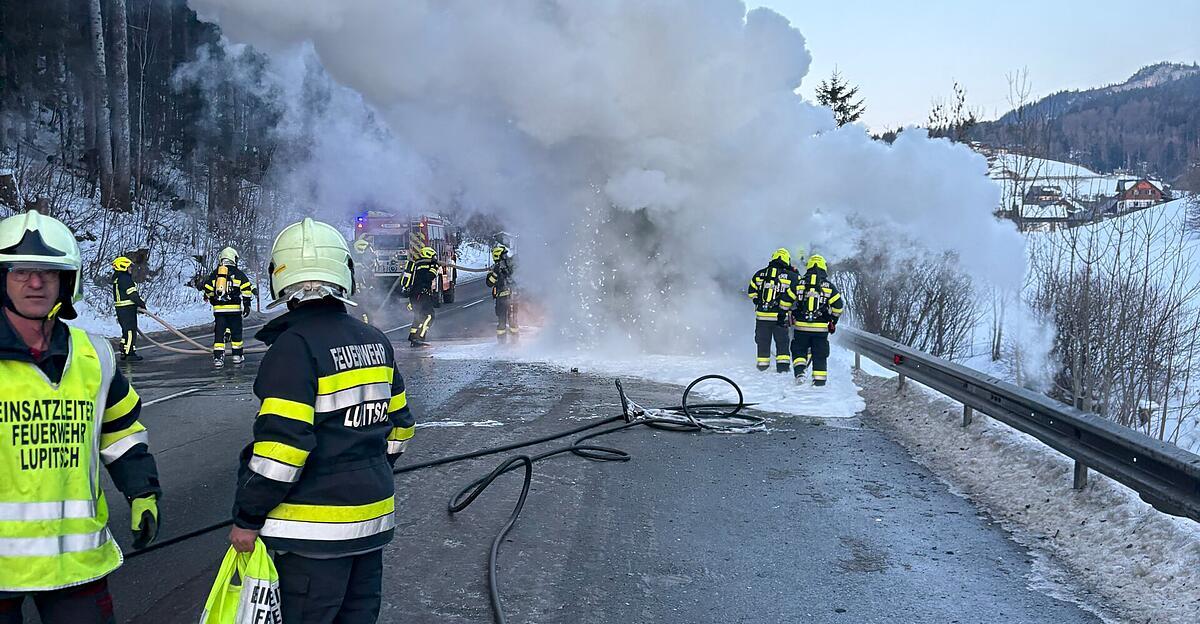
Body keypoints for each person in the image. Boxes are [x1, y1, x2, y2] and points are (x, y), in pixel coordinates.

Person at [228, 217, 414, 624]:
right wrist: (368, 468)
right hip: (371, 524)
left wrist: (248, 517)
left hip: (312, 537)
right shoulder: (375, 341)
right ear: (344, 272)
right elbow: (401, 427)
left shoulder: (293, 347)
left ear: (280, 277)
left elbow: (282, 451)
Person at [0, 211, 161, 624]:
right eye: (21, 271)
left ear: (66, 282)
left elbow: (121, 431)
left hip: (76, 566)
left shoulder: (95, 356)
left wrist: (142, 492)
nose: (36, 283)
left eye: (48, 272)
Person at [789, 254, 844, 386]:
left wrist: (785, 314)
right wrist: (833, 320)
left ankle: (800, 373)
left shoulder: (799, 284)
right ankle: (819, 380)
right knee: (820, 353)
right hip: (821, 329)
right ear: (823, 268)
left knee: (799, 350)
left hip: (801, 326)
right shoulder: (829, 286)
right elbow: (838, 307)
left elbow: (786, 301)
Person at [201, 247, 255, 367]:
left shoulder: (216, 273)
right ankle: (237, 356)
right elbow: (246, 288)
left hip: (219, 311)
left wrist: (212, 299)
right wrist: (247, 304)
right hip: (234, 311)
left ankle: (218, 358)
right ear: (233, 258)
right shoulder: (238, 273)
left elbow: (208, 288)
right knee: (236, 333)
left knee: (219, 334)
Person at [747, 248, 799, 372]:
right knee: (782, 342)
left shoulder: (760, 274)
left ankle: (762, 365)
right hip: (780, 316)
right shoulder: (791, 276)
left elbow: (751, 291)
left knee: (763, 341)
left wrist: (757, 301)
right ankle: (783, 367)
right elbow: (800, 290)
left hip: (762, 316)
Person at [111, 255, 145, 362]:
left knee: (126, 330)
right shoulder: (125, 279)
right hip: (127, 309)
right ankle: (129, 353)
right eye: (129, 267)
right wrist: (141, 304)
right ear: (123, 266)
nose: (130, 269)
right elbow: (132, 294)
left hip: (122, 309)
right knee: (130, 330)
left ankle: (124, 349)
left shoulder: (118, 278)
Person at [406, 246, 439, 348]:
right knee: (429, 316)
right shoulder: (423, 266)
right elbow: (429, 277)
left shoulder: (418, 264)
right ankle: (419, 337)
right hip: (421, 294)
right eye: (433, 256)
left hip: (416, 294)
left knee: (419, 315)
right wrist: (434, 267)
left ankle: (413, 336)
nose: (434, 258)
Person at [486, 244, 519, 343]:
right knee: (501, 322)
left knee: (513, 320)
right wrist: (495, 273)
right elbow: (489, 283)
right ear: (498, 256)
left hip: (512, 297)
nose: (506, 257)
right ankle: (501, 342)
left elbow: (517, 277)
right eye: (504, 255)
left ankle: (515, 341)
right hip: (501, 300)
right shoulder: (493, 269)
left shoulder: (510, 266)